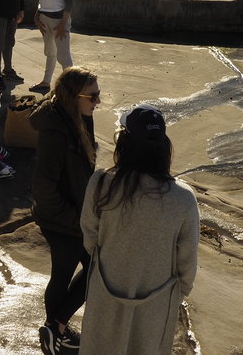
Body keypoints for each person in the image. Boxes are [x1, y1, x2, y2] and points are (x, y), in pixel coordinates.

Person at [78, 104, 199, 355]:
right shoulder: (183, 198)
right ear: (164, 146)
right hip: (157, 300)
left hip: (105, 289)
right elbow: (187, 264)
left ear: (125, 143)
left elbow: (90, 238)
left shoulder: (101, 182)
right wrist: (174, 294)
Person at [29, 66, 101, 354]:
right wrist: (76, 221)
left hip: (75, 216)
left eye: (99, 95)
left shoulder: (79, 117)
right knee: (87, 269)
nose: (98, 102)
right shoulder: (56, 132)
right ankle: (55, 329)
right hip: (62, 219)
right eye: (93, 96)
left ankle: (54, 329)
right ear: (74, 96)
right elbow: (43, 187)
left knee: (78, 270)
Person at [30, 0, 73, 94]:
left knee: (64, 56)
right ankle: (46, 82)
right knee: (50, 52)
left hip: (58, 20)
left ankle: (71, 88)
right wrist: (36, 16)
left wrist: (62, 24)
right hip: (45, 19)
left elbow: (69, 2)